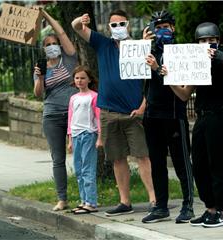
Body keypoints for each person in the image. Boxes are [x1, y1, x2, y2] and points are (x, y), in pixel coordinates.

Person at [71, 10, 156, 216]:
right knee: (118, 158)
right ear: (108, 28)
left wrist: (144, 105)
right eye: (114, 25)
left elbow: (151, 80)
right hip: (108, 112)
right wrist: (80, 21)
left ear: (128, 25)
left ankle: (154, 198)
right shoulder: (103, 44)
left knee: (142, 155)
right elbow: (76, 28)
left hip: (133, 112)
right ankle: (124, 201)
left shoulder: (138, 47)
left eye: (122, 24)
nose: (118, 28)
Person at [166, 22, 223, 227]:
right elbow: (184, 94)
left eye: (212, 40)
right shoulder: (197, 65)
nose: (207, 44)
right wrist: (168, 77)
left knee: (216, 164)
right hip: (202, 118)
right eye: (203, 41)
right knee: (199, 165)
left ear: (218, 42)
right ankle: (211, 208)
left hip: (220, 116)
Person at [142, 10, 195, 224]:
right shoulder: (149, 51)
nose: (162, 30)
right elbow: (135, 75)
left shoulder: (182, 53)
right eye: (158, 26)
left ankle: (188, 205)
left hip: (174, 115)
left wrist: (157, 69)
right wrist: (142, 46)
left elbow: (182, 89)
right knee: (157, 163)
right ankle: (161, 206)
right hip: (152, 115)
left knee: (182, 163)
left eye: (166, 26)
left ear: (173, 28)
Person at [33, 9, 78, 211]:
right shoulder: (41, 67)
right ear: (43, 49)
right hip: (51, 116)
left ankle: (87, 197)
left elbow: (61, 32)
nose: (52, 47)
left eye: (54, 44)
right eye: (47, 45)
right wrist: (40, 78)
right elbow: (38, 93)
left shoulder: (68, 60)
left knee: (81, 156)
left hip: (73, 114)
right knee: (57, 159)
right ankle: (62, 198)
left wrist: (45, 15)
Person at [67, 66, 102, 214]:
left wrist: (100, 137)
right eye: (77, 78)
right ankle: (83, 200)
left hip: (88, 134)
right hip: (75, 136)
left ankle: (91, 202)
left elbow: (99, 118)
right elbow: (70, 119)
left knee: (88, 169)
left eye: (82, 78)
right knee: (79, 170)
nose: (79, 81)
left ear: (89, 79)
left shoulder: (94, 96)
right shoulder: (73, 98)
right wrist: (69, 140)